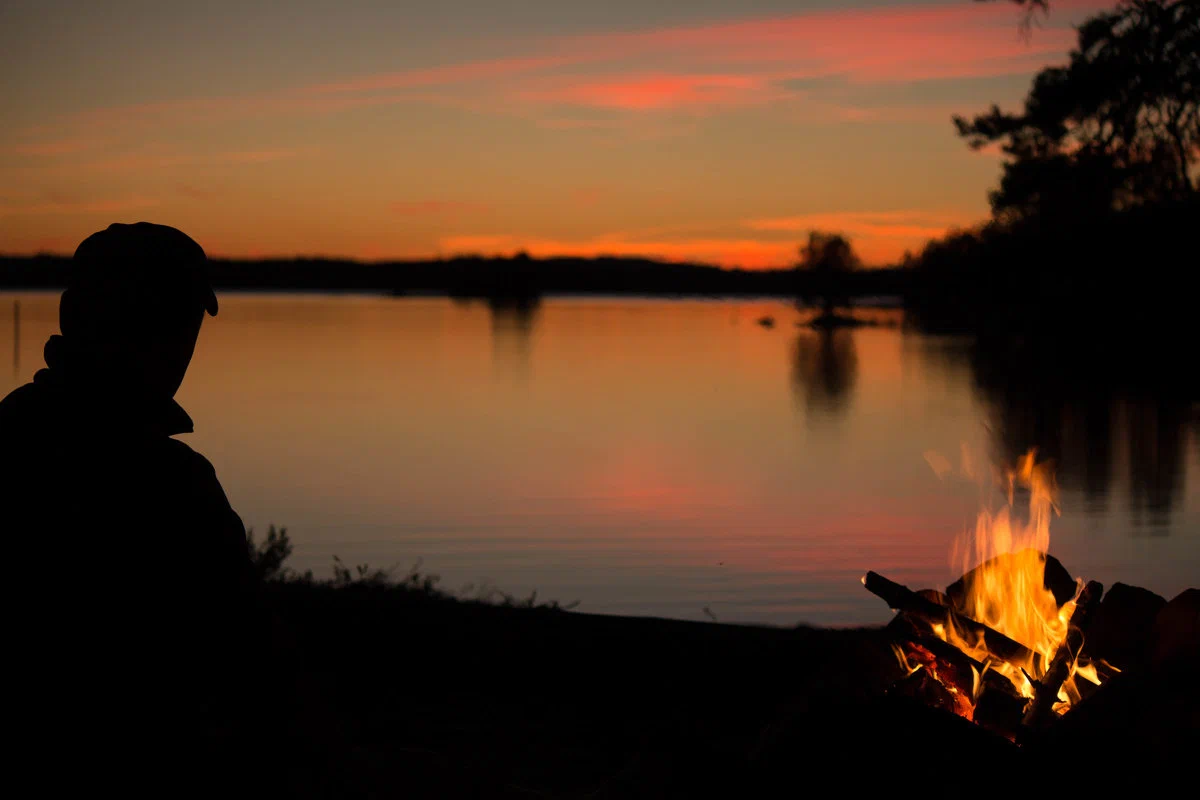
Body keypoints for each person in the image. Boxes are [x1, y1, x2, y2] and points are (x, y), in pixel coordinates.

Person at [0, 223, 260, 786]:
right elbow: (254, 663)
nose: (170, 344)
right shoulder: (176, 487)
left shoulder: (10, 432)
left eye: (181, 322)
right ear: (74, 318)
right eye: (144, 316)